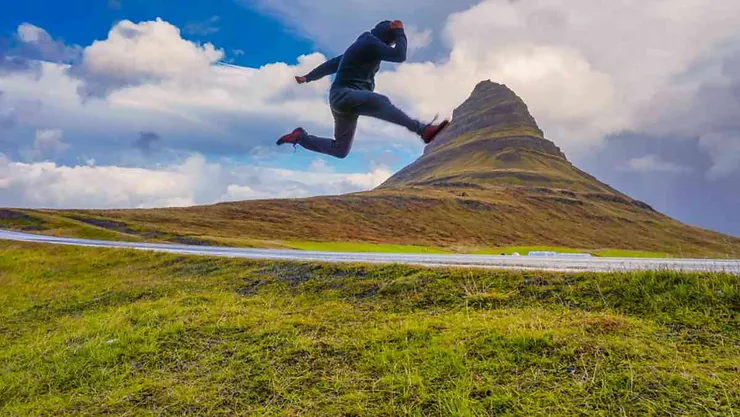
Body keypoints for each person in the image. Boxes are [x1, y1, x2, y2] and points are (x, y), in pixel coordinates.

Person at [276, 20, 449, 159]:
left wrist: (308, 77)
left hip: (347, 102)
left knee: (340, 150)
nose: (391, 45)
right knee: (380, 101)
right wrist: (400, 31)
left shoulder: (361, 46)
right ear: (386, 35)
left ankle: (300, 137)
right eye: (392, 41)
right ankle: (423, 130)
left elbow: (333, 64)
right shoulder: (369, 42)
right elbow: (399, 55)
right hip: (343, 95)